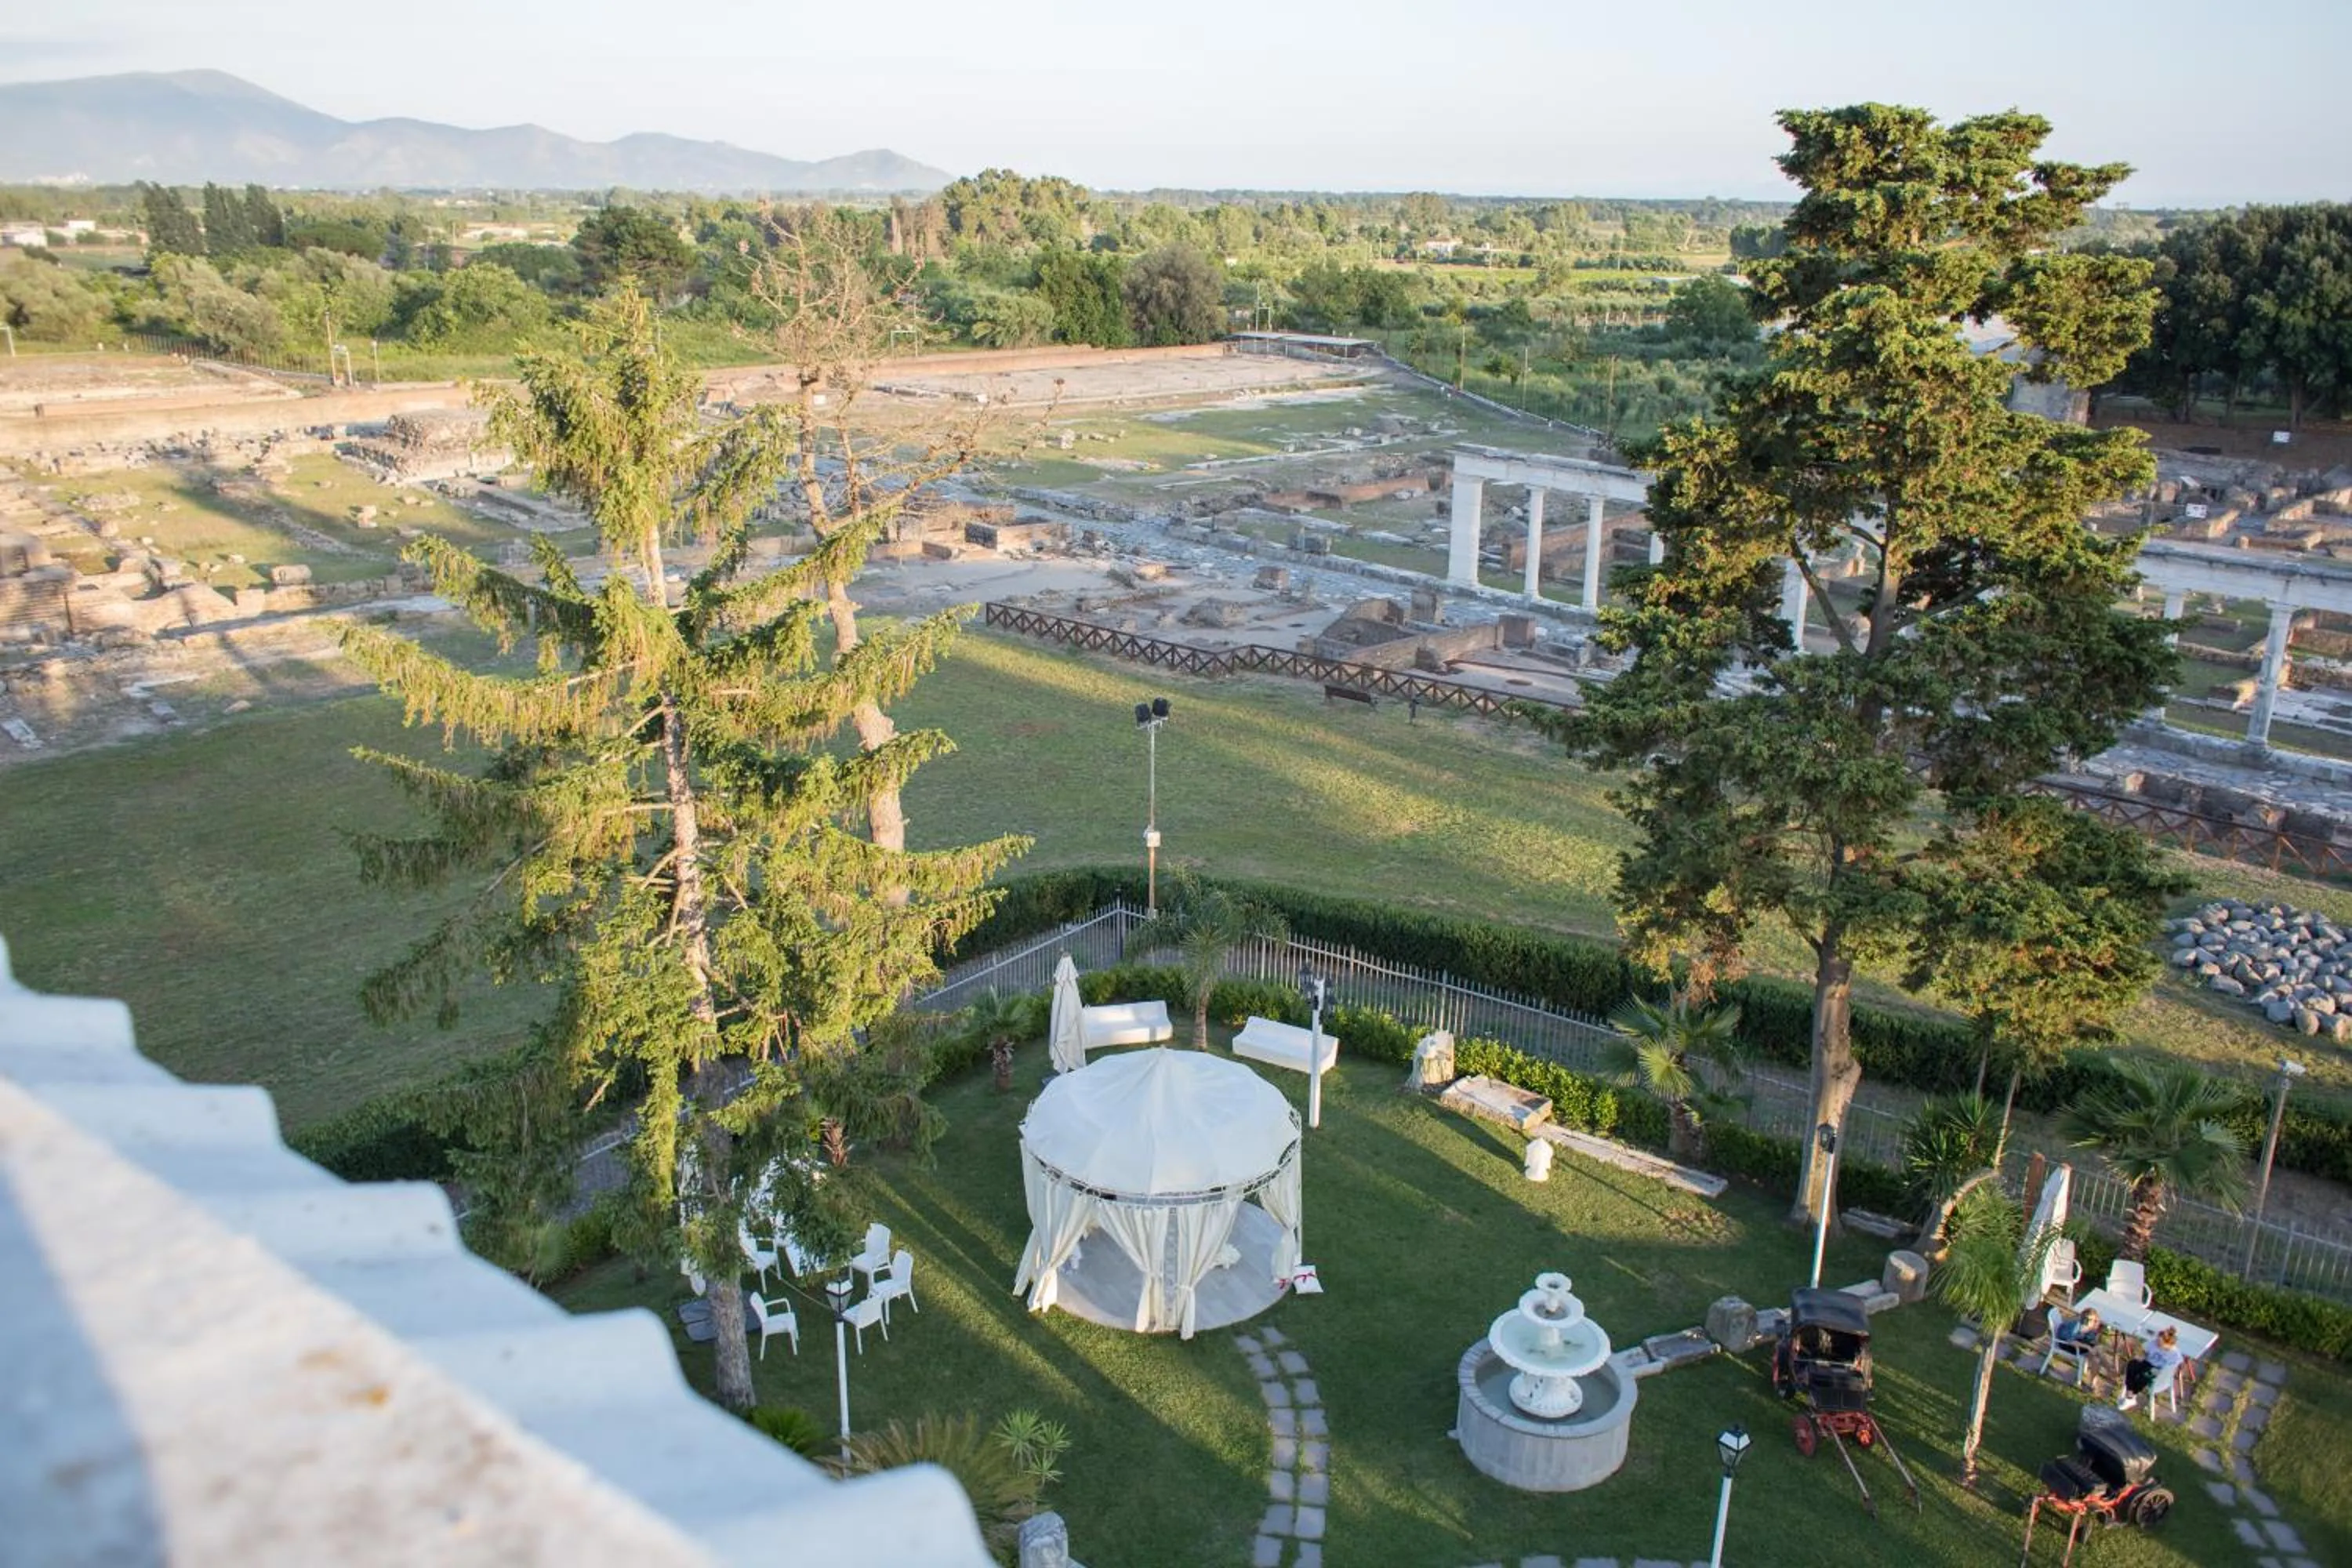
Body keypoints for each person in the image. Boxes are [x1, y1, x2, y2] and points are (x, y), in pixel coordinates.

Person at [2119, 1323, 2182, 1412]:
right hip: (2147, 1363)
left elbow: (2172, 1370)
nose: (2157, 1343)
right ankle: (2130, 1396)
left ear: (2169, 1345)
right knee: (2132, 1365)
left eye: (2160, 1343)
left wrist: (2161, 1373)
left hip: (2159, 1370)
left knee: (2143, 1376)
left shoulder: (2175, 1355)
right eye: (2157, 1341)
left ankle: (2130, 1397)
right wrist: (2141, 1355)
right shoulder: (2154, 1343)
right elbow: (2143, 1349)